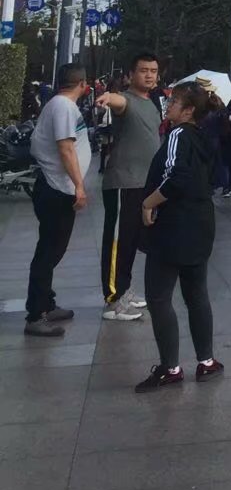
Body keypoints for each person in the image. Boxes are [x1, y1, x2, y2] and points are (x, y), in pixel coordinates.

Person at [135, 82, 225, 392]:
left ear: (187, 111)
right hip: (200, 224)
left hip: (174, 227)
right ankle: (207, 361)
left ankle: (170, 368)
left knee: (159, 297)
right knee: (196, 294)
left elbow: (177, 176)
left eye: (173, 102)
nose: (168, 105)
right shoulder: (204, 136)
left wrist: (148, 202)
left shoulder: (178, 135)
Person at [95, 52, 165, 323]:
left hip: (144, 183)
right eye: (143, 70)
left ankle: (124, 290)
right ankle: (113, 300)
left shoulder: (152, 102)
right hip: (123, 182)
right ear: (131, 74)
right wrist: (107, 97)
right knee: (117, 242)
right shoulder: (126, 99)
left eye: (153, 71)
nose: (149, 75)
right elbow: (118, 101)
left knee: (132, 242)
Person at [24, 63, 92, 338]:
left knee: (52, 249)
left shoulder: (58, 105)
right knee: (49, 252)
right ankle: (36, 314)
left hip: (55, 187)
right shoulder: (63, 107)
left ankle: (46, 303)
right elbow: (66, 148)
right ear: (83, 84)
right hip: (56, 188)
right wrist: (79, 186)